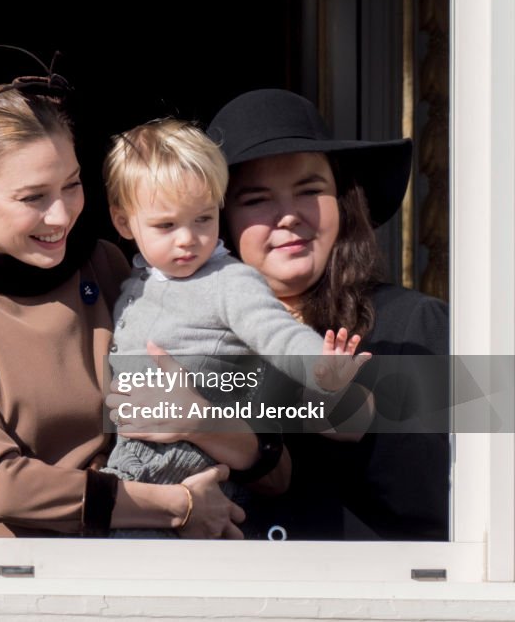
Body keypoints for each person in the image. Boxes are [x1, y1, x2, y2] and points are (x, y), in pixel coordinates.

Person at [0, 77, 253, 540]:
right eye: (33, 197)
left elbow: (240, 399)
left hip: (148, 566)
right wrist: (176, 506)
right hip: (11, 589)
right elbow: (3, 485)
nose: (61, 215)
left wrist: (210, 424)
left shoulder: (107, 265)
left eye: (71, 185)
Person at [100, 118, 369, 536]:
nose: (188, 239)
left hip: (193, 475)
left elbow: (278, 333)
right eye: (166, 225)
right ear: (123, 223)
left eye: (203, 219)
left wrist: (321, 369)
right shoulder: (134, 283)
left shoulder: (230, 281)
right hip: (135, 472)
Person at [207, 88, 449, 540]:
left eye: (310, 190)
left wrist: (366, 427)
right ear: (219, 222)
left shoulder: (414, 326)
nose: (288, 216)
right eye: (257, 199)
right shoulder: (188, 340)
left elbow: (461, 507)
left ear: (342, 201)